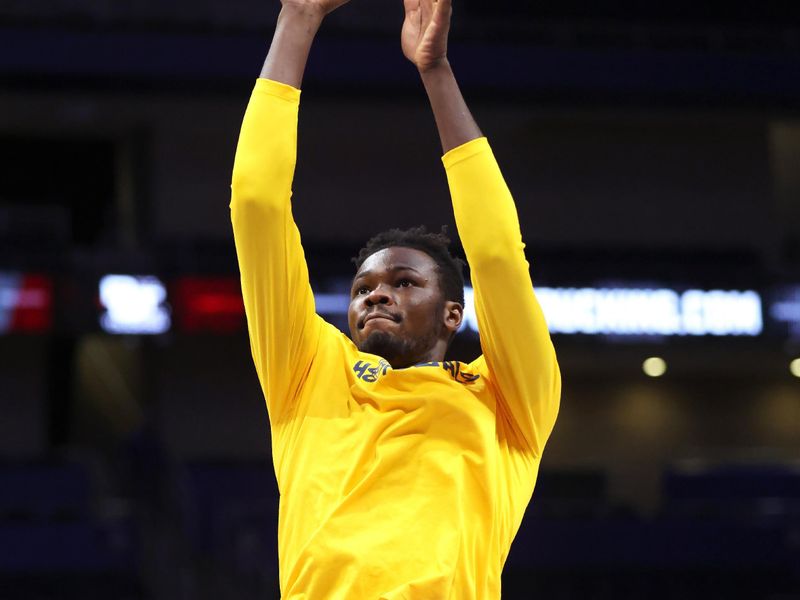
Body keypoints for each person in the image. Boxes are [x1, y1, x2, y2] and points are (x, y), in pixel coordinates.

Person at [230, 0, 561, 597]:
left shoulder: (508, 400)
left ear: (453, 314)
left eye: (405, 283)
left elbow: (496, 255)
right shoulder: (307, 373)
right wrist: (298, 18)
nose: (376, 294)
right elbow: (256, 203)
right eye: (363, 289)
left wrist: (435, 72)